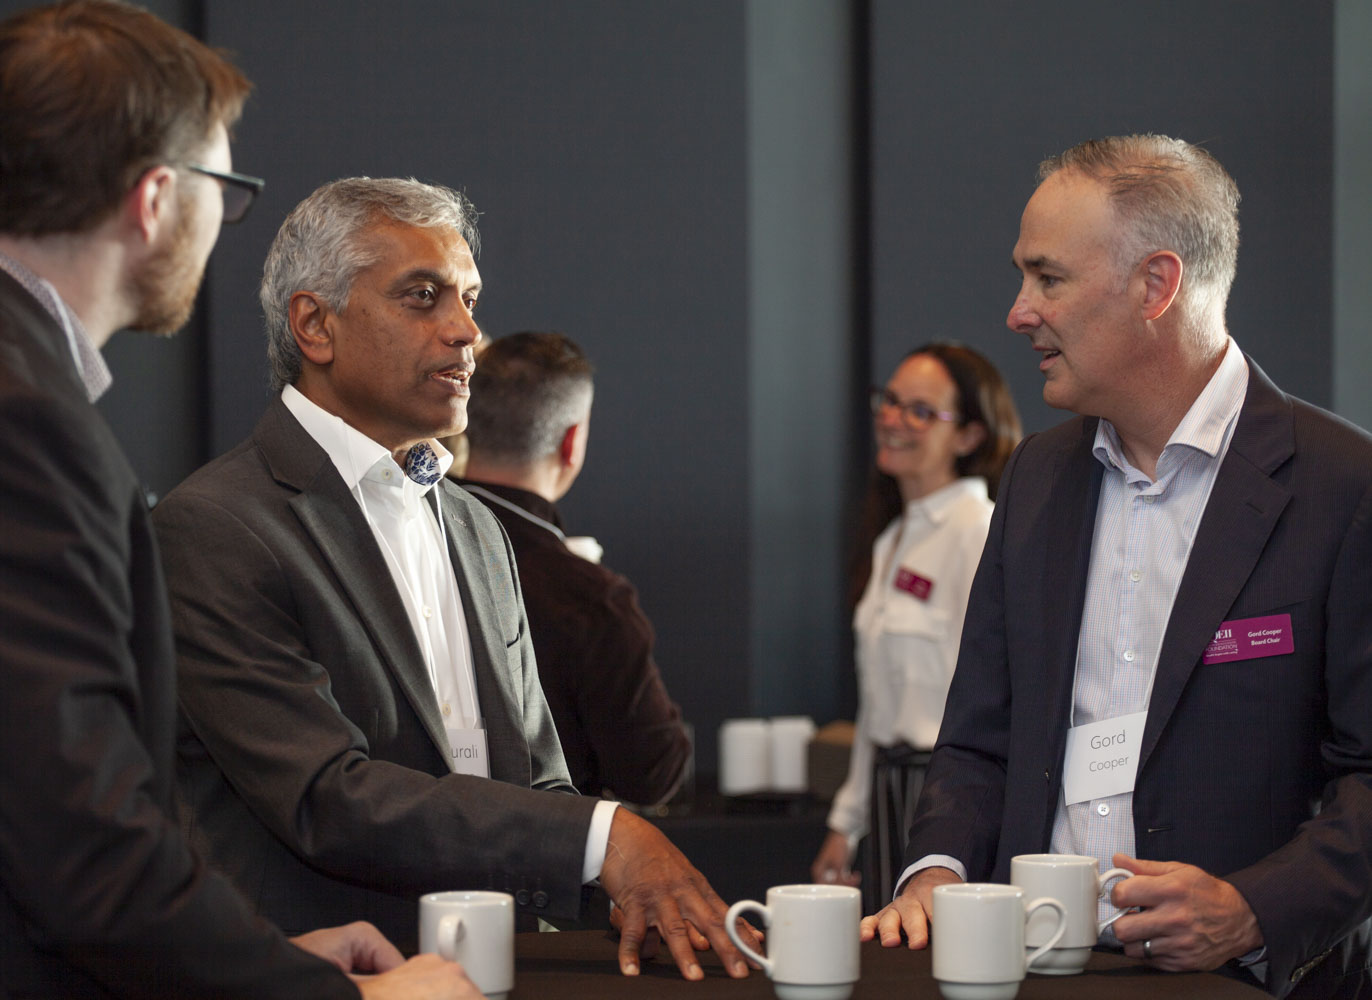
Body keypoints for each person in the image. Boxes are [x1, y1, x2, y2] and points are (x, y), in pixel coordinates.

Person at [0, 4, 479, 998]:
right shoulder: (12, 422)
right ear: (156, 198)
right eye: (226, 190)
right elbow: (86, 855)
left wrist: (259, 957)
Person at [152, 177, 755, 981]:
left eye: (470, 297)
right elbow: (326, 797)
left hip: (496, 971)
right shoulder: (216, 527)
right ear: (315, 324)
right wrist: (601, 839)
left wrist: (608, 885)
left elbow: (534, 773)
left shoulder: (476, 526)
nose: (468, 331)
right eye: (424, 296)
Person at [862, 134, 1372, 997]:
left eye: (1048, 278)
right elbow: (978, 737)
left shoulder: (1343, 486)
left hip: (1245, 983)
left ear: (1157, 285)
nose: (1019, 311)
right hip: (1031, 971)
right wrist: (935, 871)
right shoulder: (1035, 478)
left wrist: (1252, 907)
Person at [809, 342, 1020, 905]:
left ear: (971, 436)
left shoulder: (979, 532)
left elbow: (1006, 695)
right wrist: (844, 825)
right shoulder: (891, 541)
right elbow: (875, 707)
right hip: (887, 791)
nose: (893, 420)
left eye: (920, 411)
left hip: (953, 797)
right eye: (891, 401)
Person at [456, 331, 692, 806]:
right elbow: (652, 773)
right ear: (571, 443)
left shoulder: (412, 539)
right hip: (543, 861)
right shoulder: (589, 598)